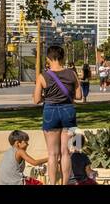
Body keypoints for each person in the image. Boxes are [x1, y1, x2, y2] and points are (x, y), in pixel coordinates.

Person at [33, 45, 82, 186]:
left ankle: (53, 183)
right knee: (66, 152)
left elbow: (36, 100)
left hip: (50, 112)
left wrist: (47, 98)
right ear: (63, 57)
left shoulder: (43, 76)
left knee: (52, 154)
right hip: (68, 111)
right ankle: (65, 183)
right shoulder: (72, 74)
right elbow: (79, 95)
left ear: (48, 59)